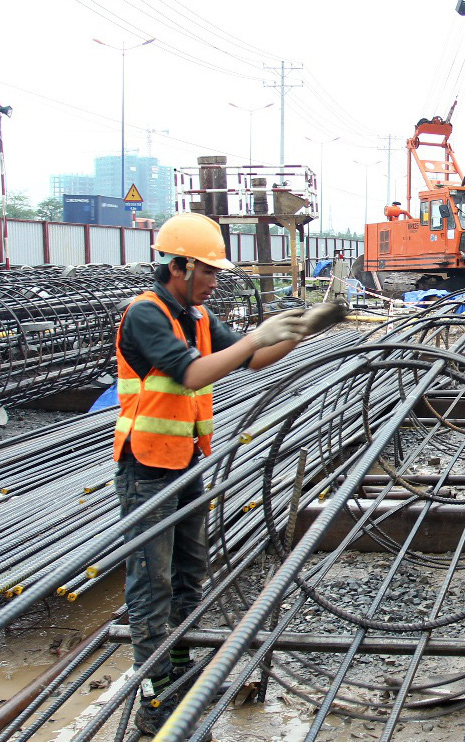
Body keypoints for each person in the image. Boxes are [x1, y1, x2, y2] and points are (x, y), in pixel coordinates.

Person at [114, 213, 341, 735]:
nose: (215, 282)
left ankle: (181, 669)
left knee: (189, 574)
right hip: (146, 465)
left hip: (186, 460)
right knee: (152, 583)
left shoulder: (195, 315)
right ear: (180, 266)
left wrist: (306, 328)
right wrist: (255, 337)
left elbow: (254, 359)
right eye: (209, 272)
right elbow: (193, 373)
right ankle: (154, 697)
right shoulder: (145, 316)